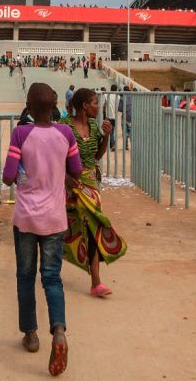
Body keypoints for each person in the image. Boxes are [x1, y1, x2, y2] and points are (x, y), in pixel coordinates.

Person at [2, 83, 83, 376]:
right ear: (54, 107)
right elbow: (76, 170)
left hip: (26, 218)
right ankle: (59, 331)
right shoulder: (66, 133)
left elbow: (9, 177)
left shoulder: (20, 134)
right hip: (54, 218)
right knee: (52, 278)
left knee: (25, 277)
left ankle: (31, 334)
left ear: (28, 107)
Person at [65, 89, 126, 296]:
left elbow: (97, 155)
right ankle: (51, 267)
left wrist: (106, 136)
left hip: (90, 185)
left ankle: (96, 282)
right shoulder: (65, 126)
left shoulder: (93, 126)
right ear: (84, 106)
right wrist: (66, 178)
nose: (97, 107)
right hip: (70, 185)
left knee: (93, 229)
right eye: (94, 103)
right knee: (67, 230)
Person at [103, 84, 120, 151]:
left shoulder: (106, 95)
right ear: (116, 89)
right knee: (113, 131)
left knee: (108, 132)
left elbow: (103, 104)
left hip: (108, 116)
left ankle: (111, 145)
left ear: (110, 88)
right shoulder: (118, 96)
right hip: (115, 116)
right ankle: (112, 144)